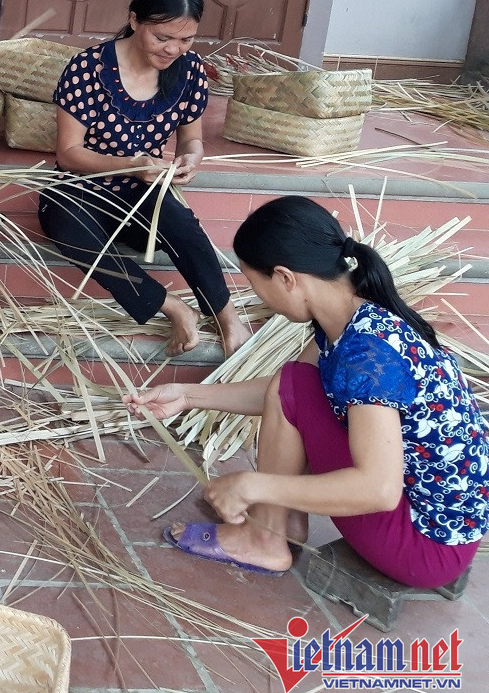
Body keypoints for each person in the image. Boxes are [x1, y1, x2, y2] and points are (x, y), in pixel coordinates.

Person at [127, 196, 487, 586]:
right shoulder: (354, 315)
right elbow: (287, 396)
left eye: (254, 282)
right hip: (437, 523)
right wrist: (188, 396)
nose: (259, 295)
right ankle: (282, 523)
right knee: (297, 380)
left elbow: (378, 490)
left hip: (422, 547)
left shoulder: (366, 355)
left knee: (295, 382)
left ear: (285, 277)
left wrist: (253, 485)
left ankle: (263, 536)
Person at [38, 0, 250, 357]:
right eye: (162, 37)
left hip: (141, 191)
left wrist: (192, 157)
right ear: (135, 20)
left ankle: (227, 316)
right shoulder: (89, 69)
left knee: (183, 225)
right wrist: (129, 163)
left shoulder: (190, 72)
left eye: (186, 39)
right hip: (81, 186)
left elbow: (191, 137)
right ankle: (171, 307)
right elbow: (68, 152)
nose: (173, 49)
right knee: (70, 232)